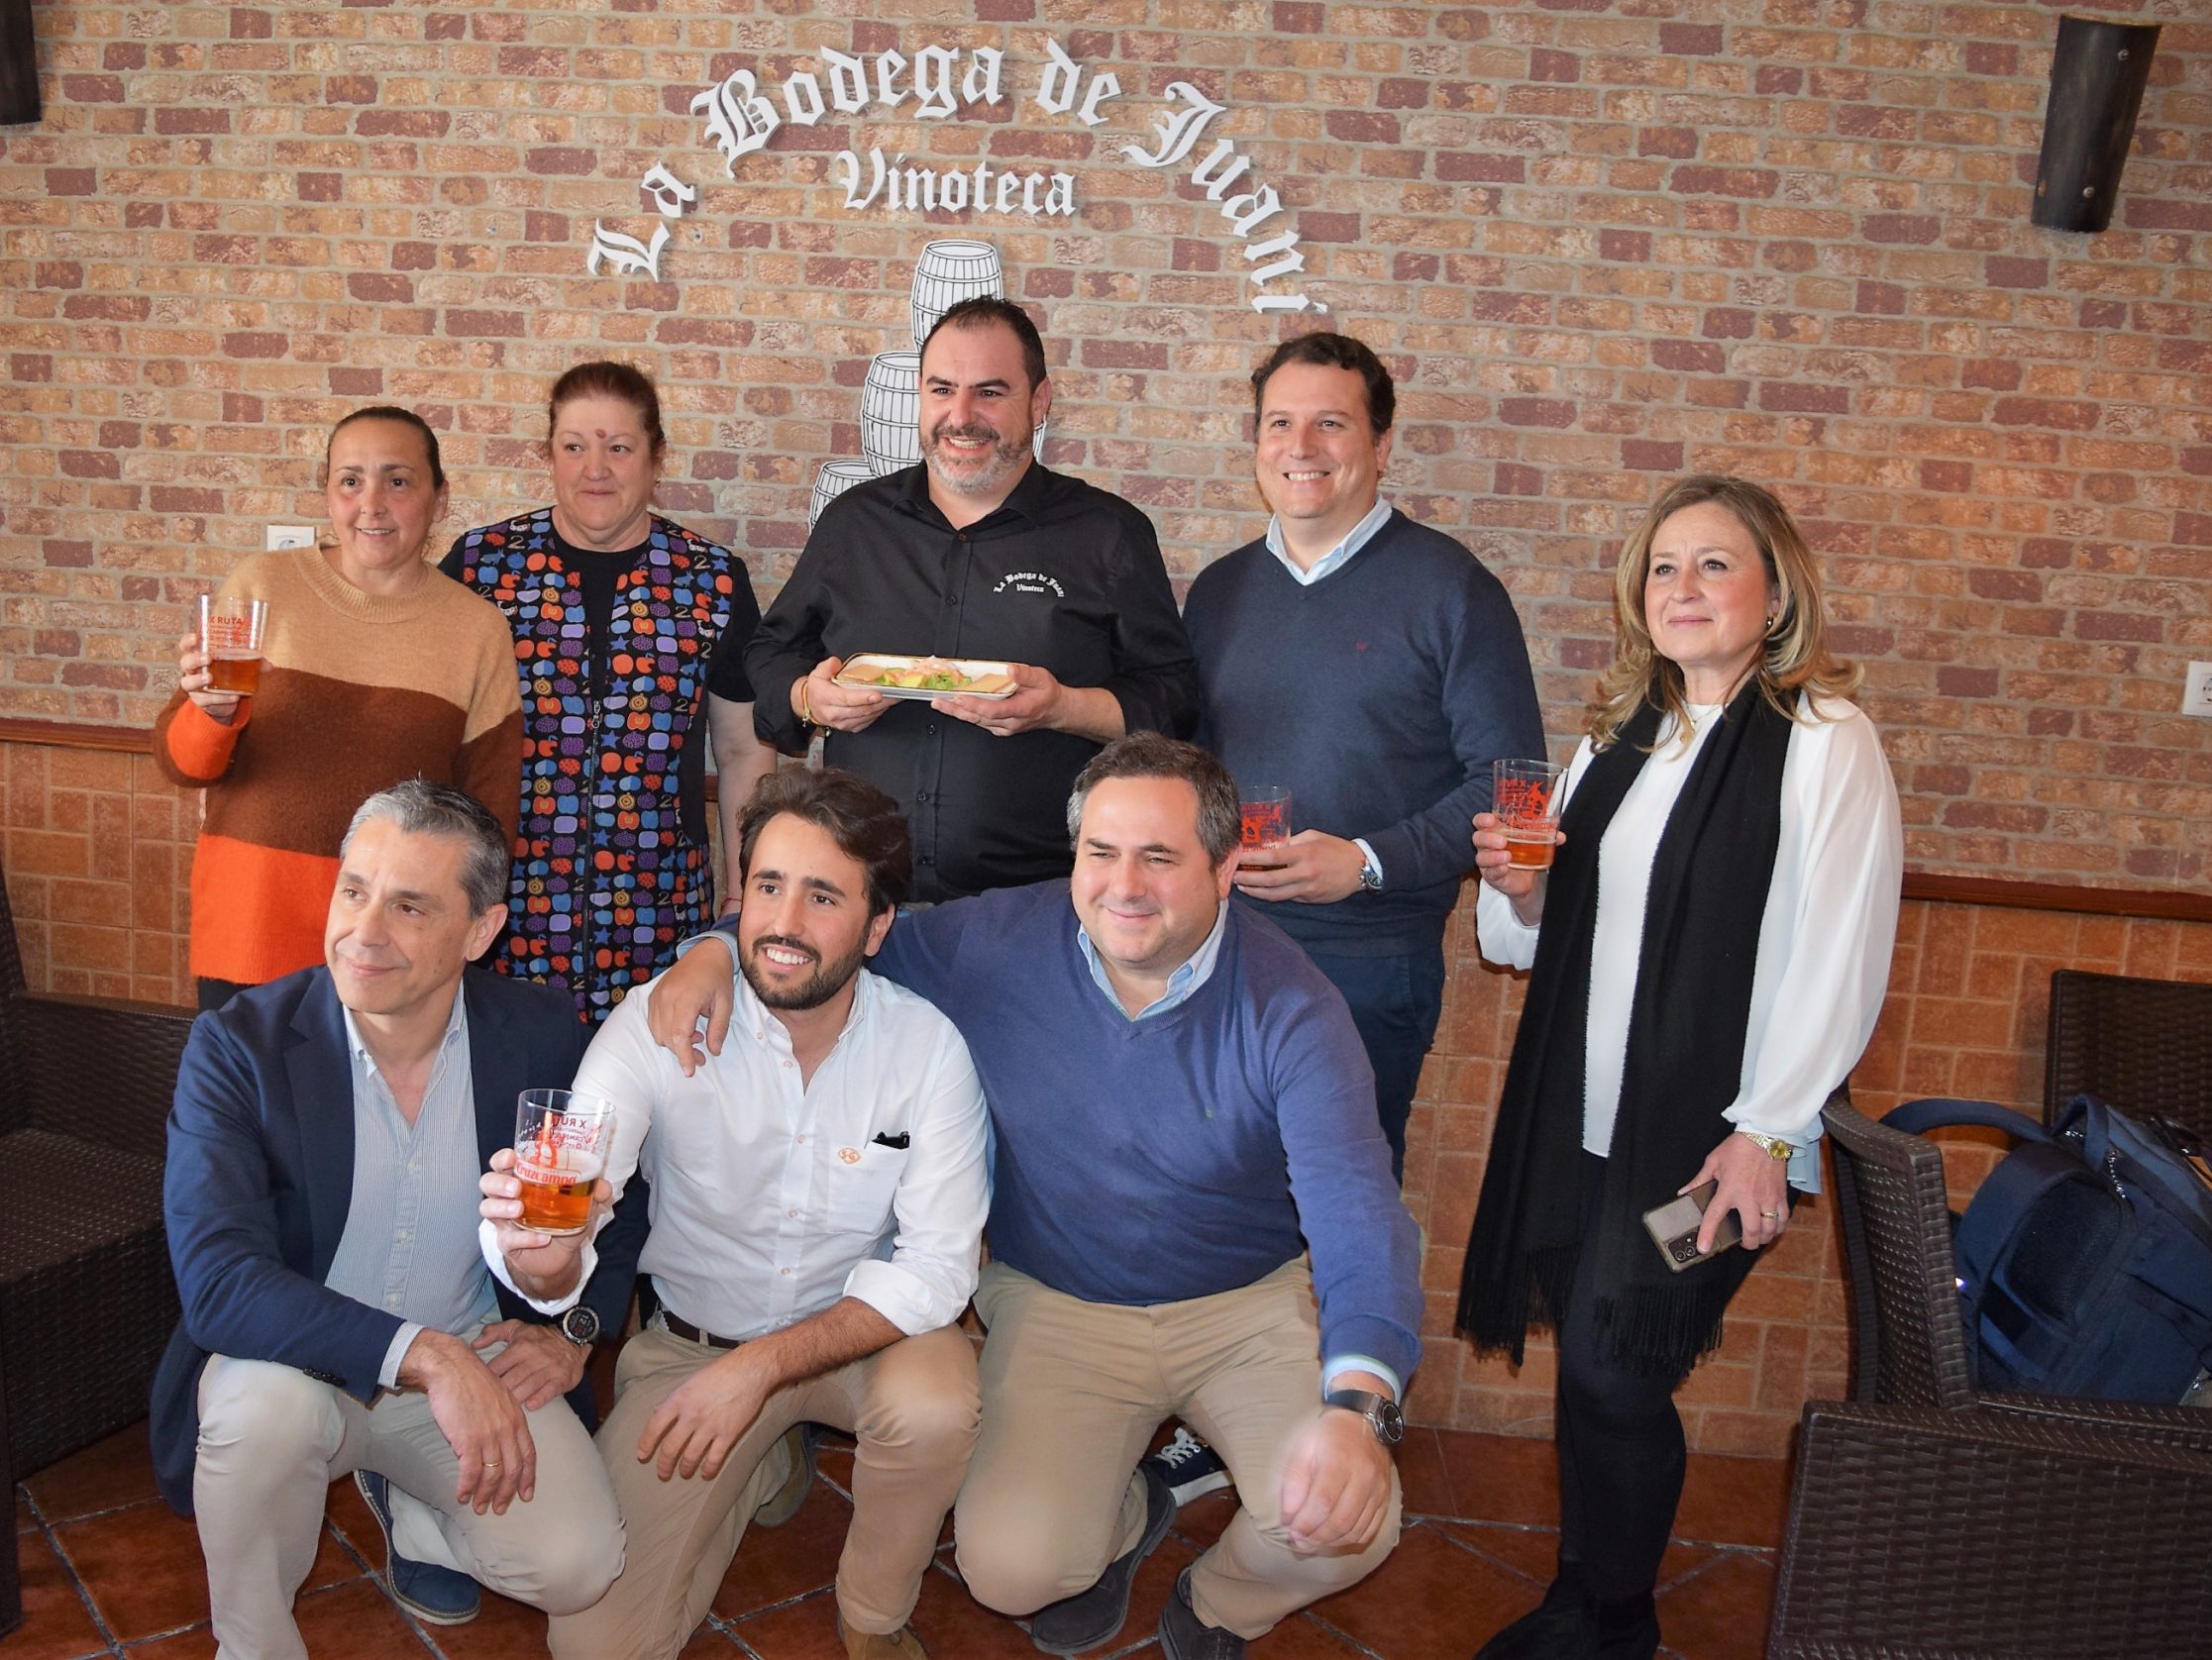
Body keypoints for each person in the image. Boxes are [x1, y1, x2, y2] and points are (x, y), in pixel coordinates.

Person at [650, 734, 1422, 1658]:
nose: (1123, 885)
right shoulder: (998, 942)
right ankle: (1131, 1507)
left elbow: (1359, 1214)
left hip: (1244, 1304)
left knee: (1348, 1523)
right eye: (1101, 852)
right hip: (1061, 1300)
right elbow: (832, 930)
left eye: (1159, 857)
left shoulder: (1293, 1006)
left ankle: (1221, 1600)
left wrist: (1359, 1409)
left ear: (1225, 868)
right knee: (1011, 1568)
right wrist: (711, 949)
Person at [1453, 475, 1901, 1660]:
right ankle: (1578, 1595)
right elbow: (1530, 938)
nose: (1682, 587)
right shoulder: (1617, 735)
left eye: (1713, 563)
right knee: (1591, 1363)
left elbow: (1842, 955)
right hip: (1587, 1119)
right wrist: (1520, 886)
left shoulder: (1824, 740)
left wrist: (1766, 1132)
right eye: (1663, 566)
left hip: (1722, 1139)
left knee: (1615, 1366)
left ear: (1775, 594)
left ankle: (1616, 1621)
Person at [483, 765, 989, 1660]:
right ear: (739, 896)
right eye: (768, 886)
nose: (785, 922)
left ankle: (873, 1613)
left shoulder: (928, 1049)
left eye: (822, 896)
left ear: (877, 927)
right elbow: (573, 1193)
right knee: (596, 1647)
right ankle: (766, 1457)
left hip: (860, 1341)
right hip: (694, 1348)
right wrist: (546, 1261)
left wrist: (761, 1369)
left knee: (936, 1402)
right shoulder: (654, 1024)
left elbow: (940, 1267)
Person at [152, 780, 641, 1659]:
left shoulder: (537, 1032)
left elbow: (621, 1190)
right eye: (354, 891)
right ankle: (254, 1645)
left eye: (409, 906)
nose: (364, 932)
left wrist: (576, 1329)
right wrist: (427, 1356)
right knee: (257, 1414)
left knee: (578, 1564)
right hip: (299, 1369)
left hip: (475, 1354)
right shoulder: (238, 1047)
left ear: (481, 930)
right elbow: (219, 1284)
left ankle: (411, 1501)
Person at [1184, 331, 1541, 1186]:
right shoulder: (1219, 591)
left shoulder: (1453, 590)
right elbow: (1187, 768)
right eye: (1280, 423)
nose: (1300, 446)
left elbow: (1508, 790)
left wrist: (1367, 861)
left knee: (1341, 1195)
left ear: (1381, 445)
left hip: (1368, 962)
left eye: (1331, 424)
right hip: (1218, 948)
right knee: (1211, 1190)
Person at [746, 295, 1198, 902]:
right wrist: (809, 697)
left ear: (1038, 401)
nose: (961, 416)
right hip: (861, 896)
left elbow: (1173, 698)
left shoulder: (1107, 533)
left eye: (989, 392)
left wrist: (1061, 707)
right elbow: (770, 652)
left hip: (1036, 902)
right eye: (942, 390)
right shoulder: (855, 523)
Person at [156, 407, 524, 1011]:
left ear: (440, 499)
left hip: (391, 950)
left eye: (397, 481)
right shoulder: (262, 587)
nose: (371, 504)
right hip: (252, 930)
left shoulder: (476, 629)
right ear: (327, 493)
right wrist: (212, 714)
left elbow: (489, 812)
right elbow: (184, 765)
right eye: (350, 481)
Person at [442, 362, 776, 1024]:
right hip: (502, 912)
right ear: (548, 455)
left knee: (651, 1081)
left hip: (660, 908)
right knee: (510, 1077)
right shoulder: (482, 568)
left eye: (619, 447)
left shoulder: (711, 581)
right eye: (574, 446)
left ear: (656, 459)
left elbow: (744, 752)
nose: (595, 468)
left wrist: (740, 905)